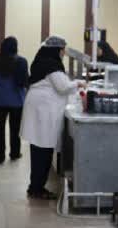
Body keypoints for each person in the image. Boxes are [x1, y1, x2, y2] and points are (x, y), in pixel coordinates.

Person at [20, 35, 84, 200]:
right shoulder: (51, 65)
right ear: (56, 50)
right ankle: (37, 188)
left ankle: (35, 186)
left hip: (40, 110)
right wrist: (78, 83)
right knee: (43, 151)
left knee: (39, 150)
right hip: (44, 112)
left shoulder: (42, 61)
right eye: (62, 50)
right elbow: (63, 87)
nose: (63, 53)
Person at [0, 37, 29, 164]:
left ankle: (0, 156)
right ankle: (14, 153)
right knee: (15, 129)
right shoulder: (21, 62)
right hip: (17, 101)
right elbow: (25, 81)